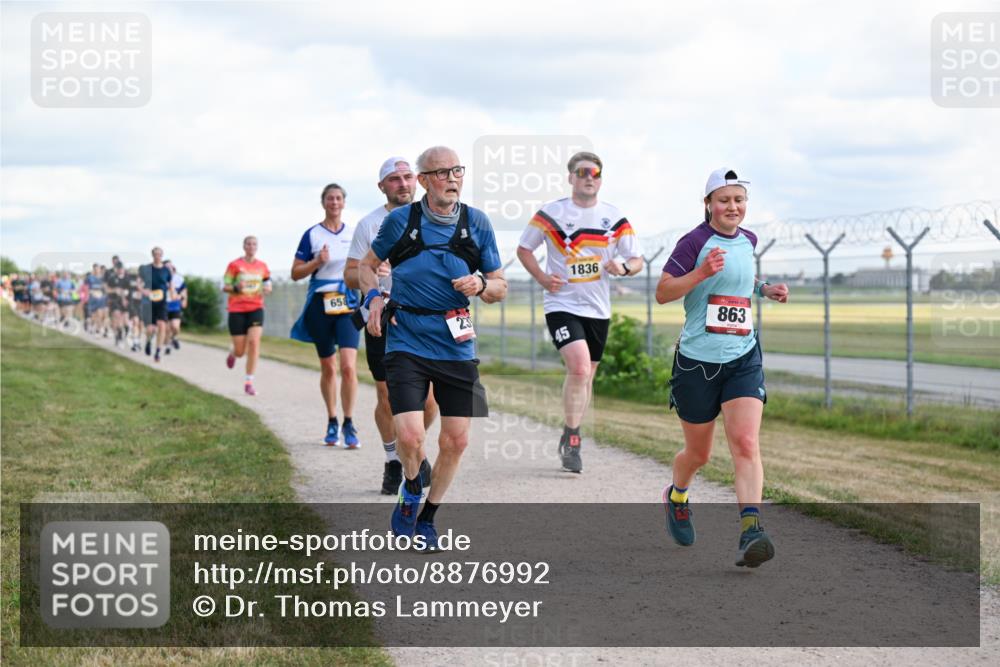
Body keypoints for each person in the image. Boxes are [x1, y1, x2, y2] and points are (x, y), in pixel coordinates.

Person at [360, 145, 507, 550]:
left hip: (456, 341)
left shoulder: (477, 223)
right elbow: (366, 265)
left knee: (456, 441)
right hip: (406, 334)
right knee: (409, 436)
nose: (452, 178)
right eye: (442, 172)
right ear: (423, 181)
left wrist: (481, 285)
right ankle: (411, 485)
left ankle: (426, 518)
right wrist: (373, 297)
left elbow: (499, 286)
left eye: (457, 170)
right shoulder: (400, 222)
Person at [656, 168, 789, 568]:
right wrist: (699, 273)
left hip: (743, 357)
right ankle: (677, 496)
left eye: (739, 200)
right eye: (724, 200)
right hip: (697, 362)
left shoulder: (748, 240)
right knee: (698, 454)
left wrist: (764, 289)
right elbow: (663, 292)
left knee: (746, 443)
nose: (733, 207)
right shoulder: (694, 241)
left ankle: (752, 530)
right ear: (709, 204)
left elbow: (740, 278)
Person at [516, 151, 643, 473]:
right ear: (571, 177)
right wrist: (542, 278)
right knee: (580, 369)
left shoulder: (614, 218)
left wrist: (624, 267)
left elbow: (637, 259)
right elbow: (524, 248)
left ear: (601, 179)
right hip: (561, 304)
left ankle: (570, 429)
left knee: (587, 377)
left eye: (596, 173)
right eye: (583, 172)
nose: (590, 177)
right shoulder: (552, 213)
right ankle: (573, 439)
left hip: (598, 309)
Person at [345, 157, 438, 494]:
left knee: (429, 401)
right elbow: (349, 273)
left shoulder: (434, 218)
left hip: (425, 318)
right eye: (394, 179)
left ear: (418, 181)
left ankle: (410, 447)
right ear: (382, 186)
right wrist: (371, 272)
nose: (403, 184)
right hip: (382, 318)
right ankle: (393, 460)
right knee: (386, 395)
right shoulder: (369, 225)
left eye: (407, 177)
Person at [290, 184, 361, 447]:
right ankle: (332, 420)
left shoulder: (354, 233)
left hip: (347, 305)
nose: (334, 202)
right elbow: (295, 273)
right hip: (321, 305)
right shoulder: (312, 234)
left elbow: (366, 264)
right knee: (329, 367)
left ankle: (349, 422)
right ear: (323, 203)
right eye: (330, 198)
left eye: (339, 198)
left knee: (348, 366)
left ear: (344, 203)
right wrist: (316, 262)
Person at [223, 236, 272, 395]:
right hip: (236, 309)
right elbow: (225, 286)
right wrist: (236, 287)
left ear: (257, 247)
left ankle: (249, 381)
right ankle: (232, 353)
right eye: (248, 244)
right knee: (240, 351)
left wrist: (267, 289)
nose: (251, 246)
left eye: (254, 244)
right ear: (244, 246)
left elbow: (267, 283)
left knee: (254, 342)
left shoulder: (262, 266)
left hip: (256, 308)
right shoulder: (234, 265)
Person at [140, 247, 172, 362]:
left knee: (162, 325)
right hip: (149, 302)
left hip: (162, 301)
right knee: (150, 329)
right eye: (155, 254)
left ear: (162, 255)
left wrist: (172, 293)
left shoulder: (166, 270)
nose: (158, 256)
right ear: (152, 255)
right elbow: (139, 283)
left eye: (159, 254)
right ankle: (148, 341)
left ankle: (158, 351)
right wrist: (144, 291)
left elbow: (170, 283)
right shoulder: (146, 269)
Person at [163, 260, 187, 353]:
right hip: (164, 306)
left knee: (175, 327)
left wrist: (183, 299)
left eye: (170, 266)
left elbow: (184, 290)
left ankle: (174, 338)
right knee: (167, 329)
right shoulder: (161, 279)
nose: (169, 268)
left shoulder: (179, 279)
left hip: (175, 306)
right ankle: (168, 347)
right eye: (166, 267)